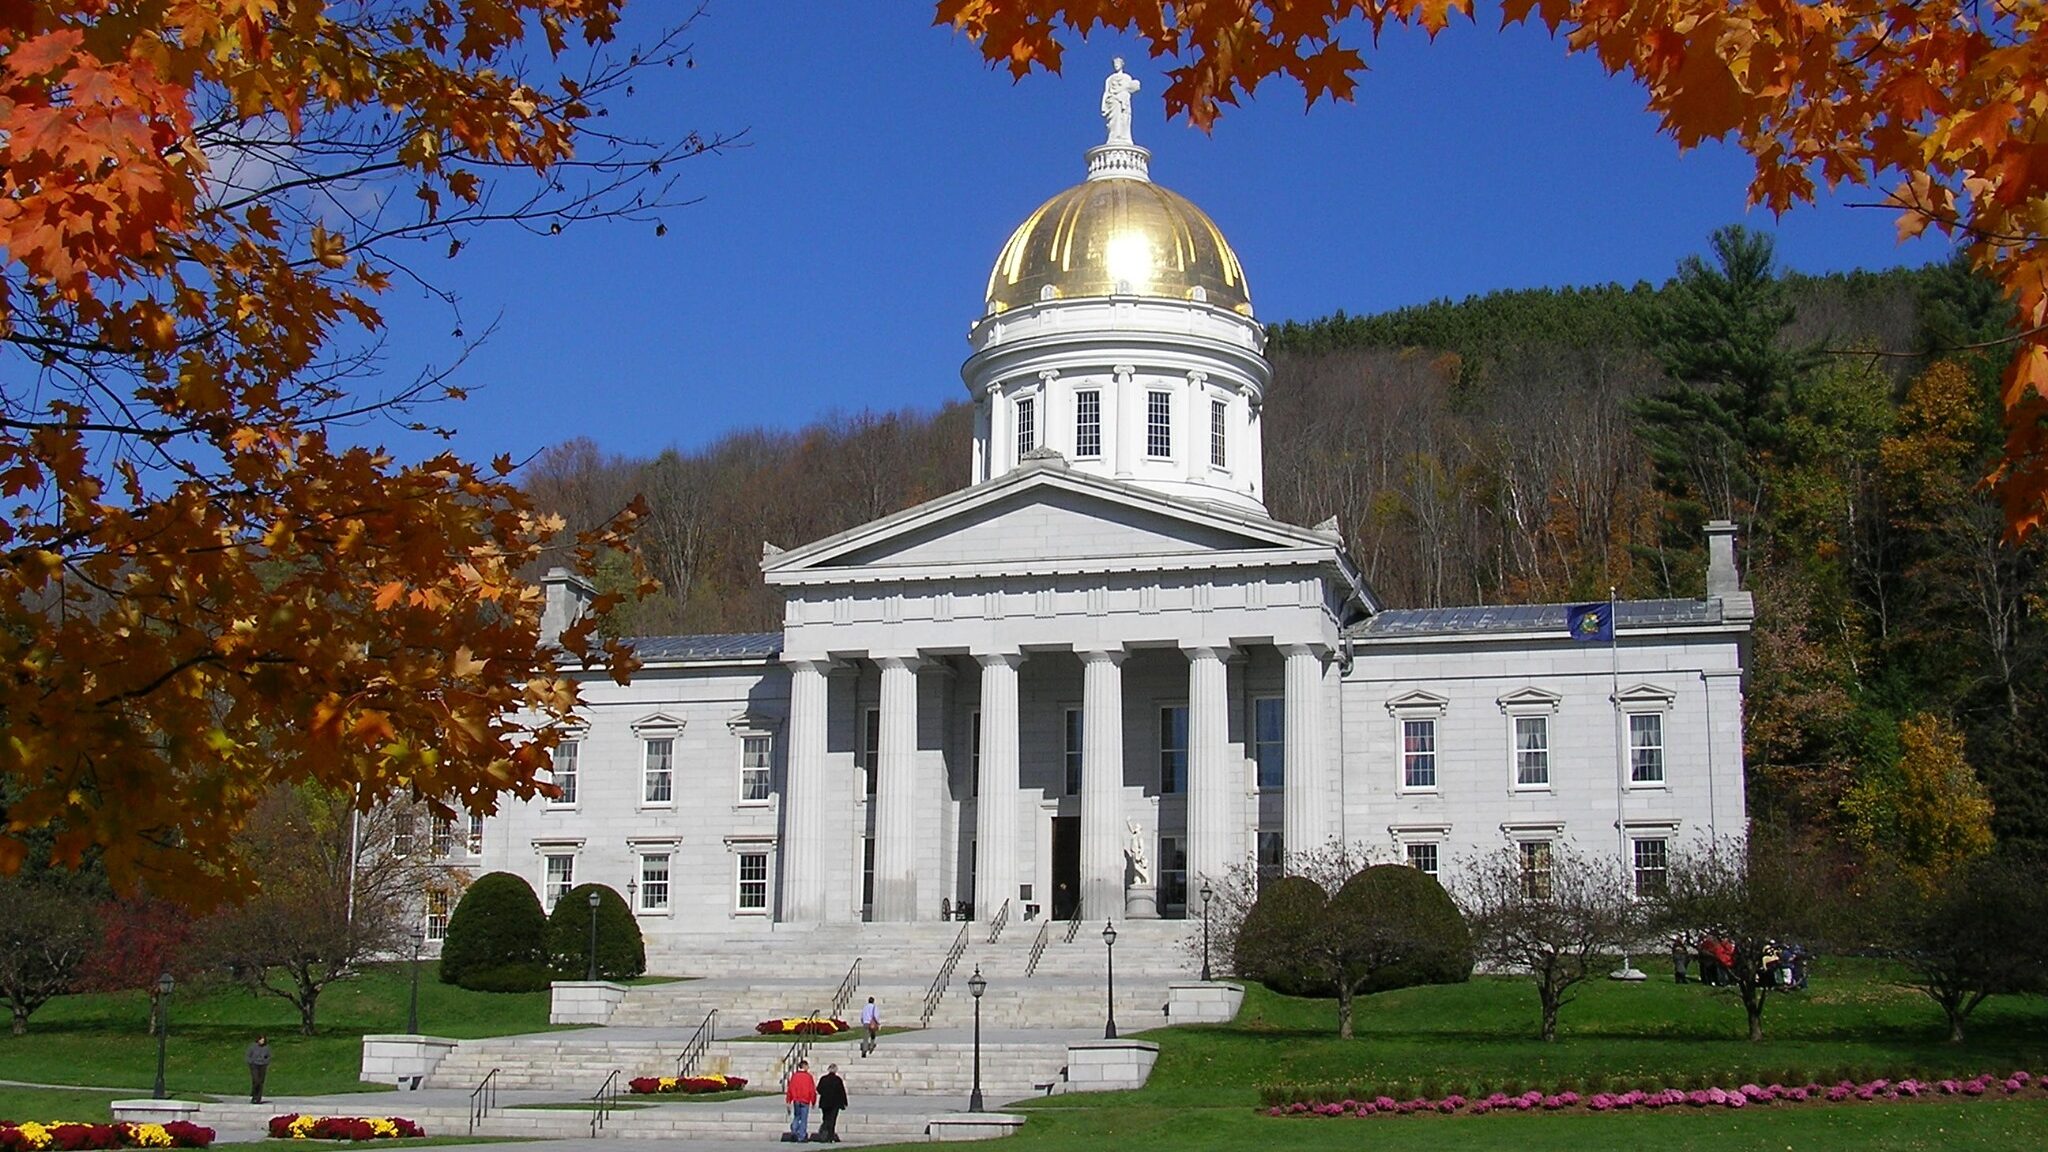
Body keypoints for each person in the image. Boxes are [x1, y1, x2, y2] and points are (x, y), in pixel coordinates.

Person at [784, 1059, 817, 1143]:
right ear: (804, 1066)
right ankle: (801, 1136)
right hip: (805, 1100)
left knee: (797, 1116)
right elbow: (812, 1090)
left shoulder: (795, 1076)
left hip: (796, 1099)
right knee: (804, 1119)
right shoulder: (808, 1077)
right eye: (807, 1066)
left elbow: (790, 1088)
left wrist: (789, 1100)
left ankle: (794, 1131)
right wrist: (813, 1101)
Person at [814, 1062, 847, 1143]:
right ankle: (830, 1136)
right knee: (832, 1120)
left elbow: (818, 1089)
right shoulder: (838, 1080)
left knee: (826, 1118)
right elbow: (842, 1092)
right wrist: (844, 1102)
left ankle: (824, 1135)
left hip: (825, 1102)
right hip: (835, 1103)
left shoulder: (823, 1079)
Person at [246, 1035, 272, 1104]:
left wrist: (265, 1062)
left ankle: (258, 1098)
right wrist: (251, 1062)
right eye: (261, 1040)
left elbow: (269, 1056)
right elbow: (248, 1055)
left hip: (262, 1065)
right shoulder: (252, 1047)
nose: (262, 1042)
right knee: (256, 1080)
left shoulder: (267, 1048)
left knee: (260, 1082)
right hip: (254, 1065)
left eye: (263, 1040)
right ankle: (254, 1094)